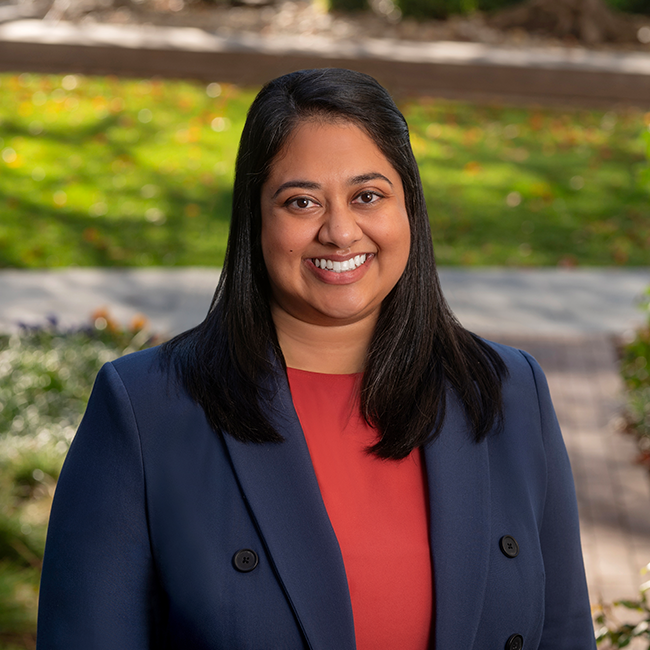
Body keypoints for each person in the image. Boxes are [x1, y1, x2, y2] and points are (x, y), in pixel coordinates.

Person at [37, 68, 596, 650]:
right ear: (256, 221)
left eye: (368, 196)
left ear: (409, 209)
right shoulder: (146, 409)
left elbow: (564, 633)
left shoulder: (507, 391)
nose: (339, 231)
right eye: (301, 201)